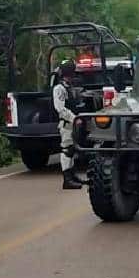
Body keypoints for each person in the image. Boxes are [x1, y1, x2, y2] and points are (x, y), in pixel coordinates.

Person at [52, 60, 84, 189]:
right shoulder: (59, 88)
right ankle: (67, 179)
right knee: (66, 149)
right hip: (66, 124)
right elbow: (60, 108)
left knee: (72, 149)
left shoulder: (68, 86)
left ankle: (72, 175)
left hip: (72, 123)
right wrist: (74, 118)